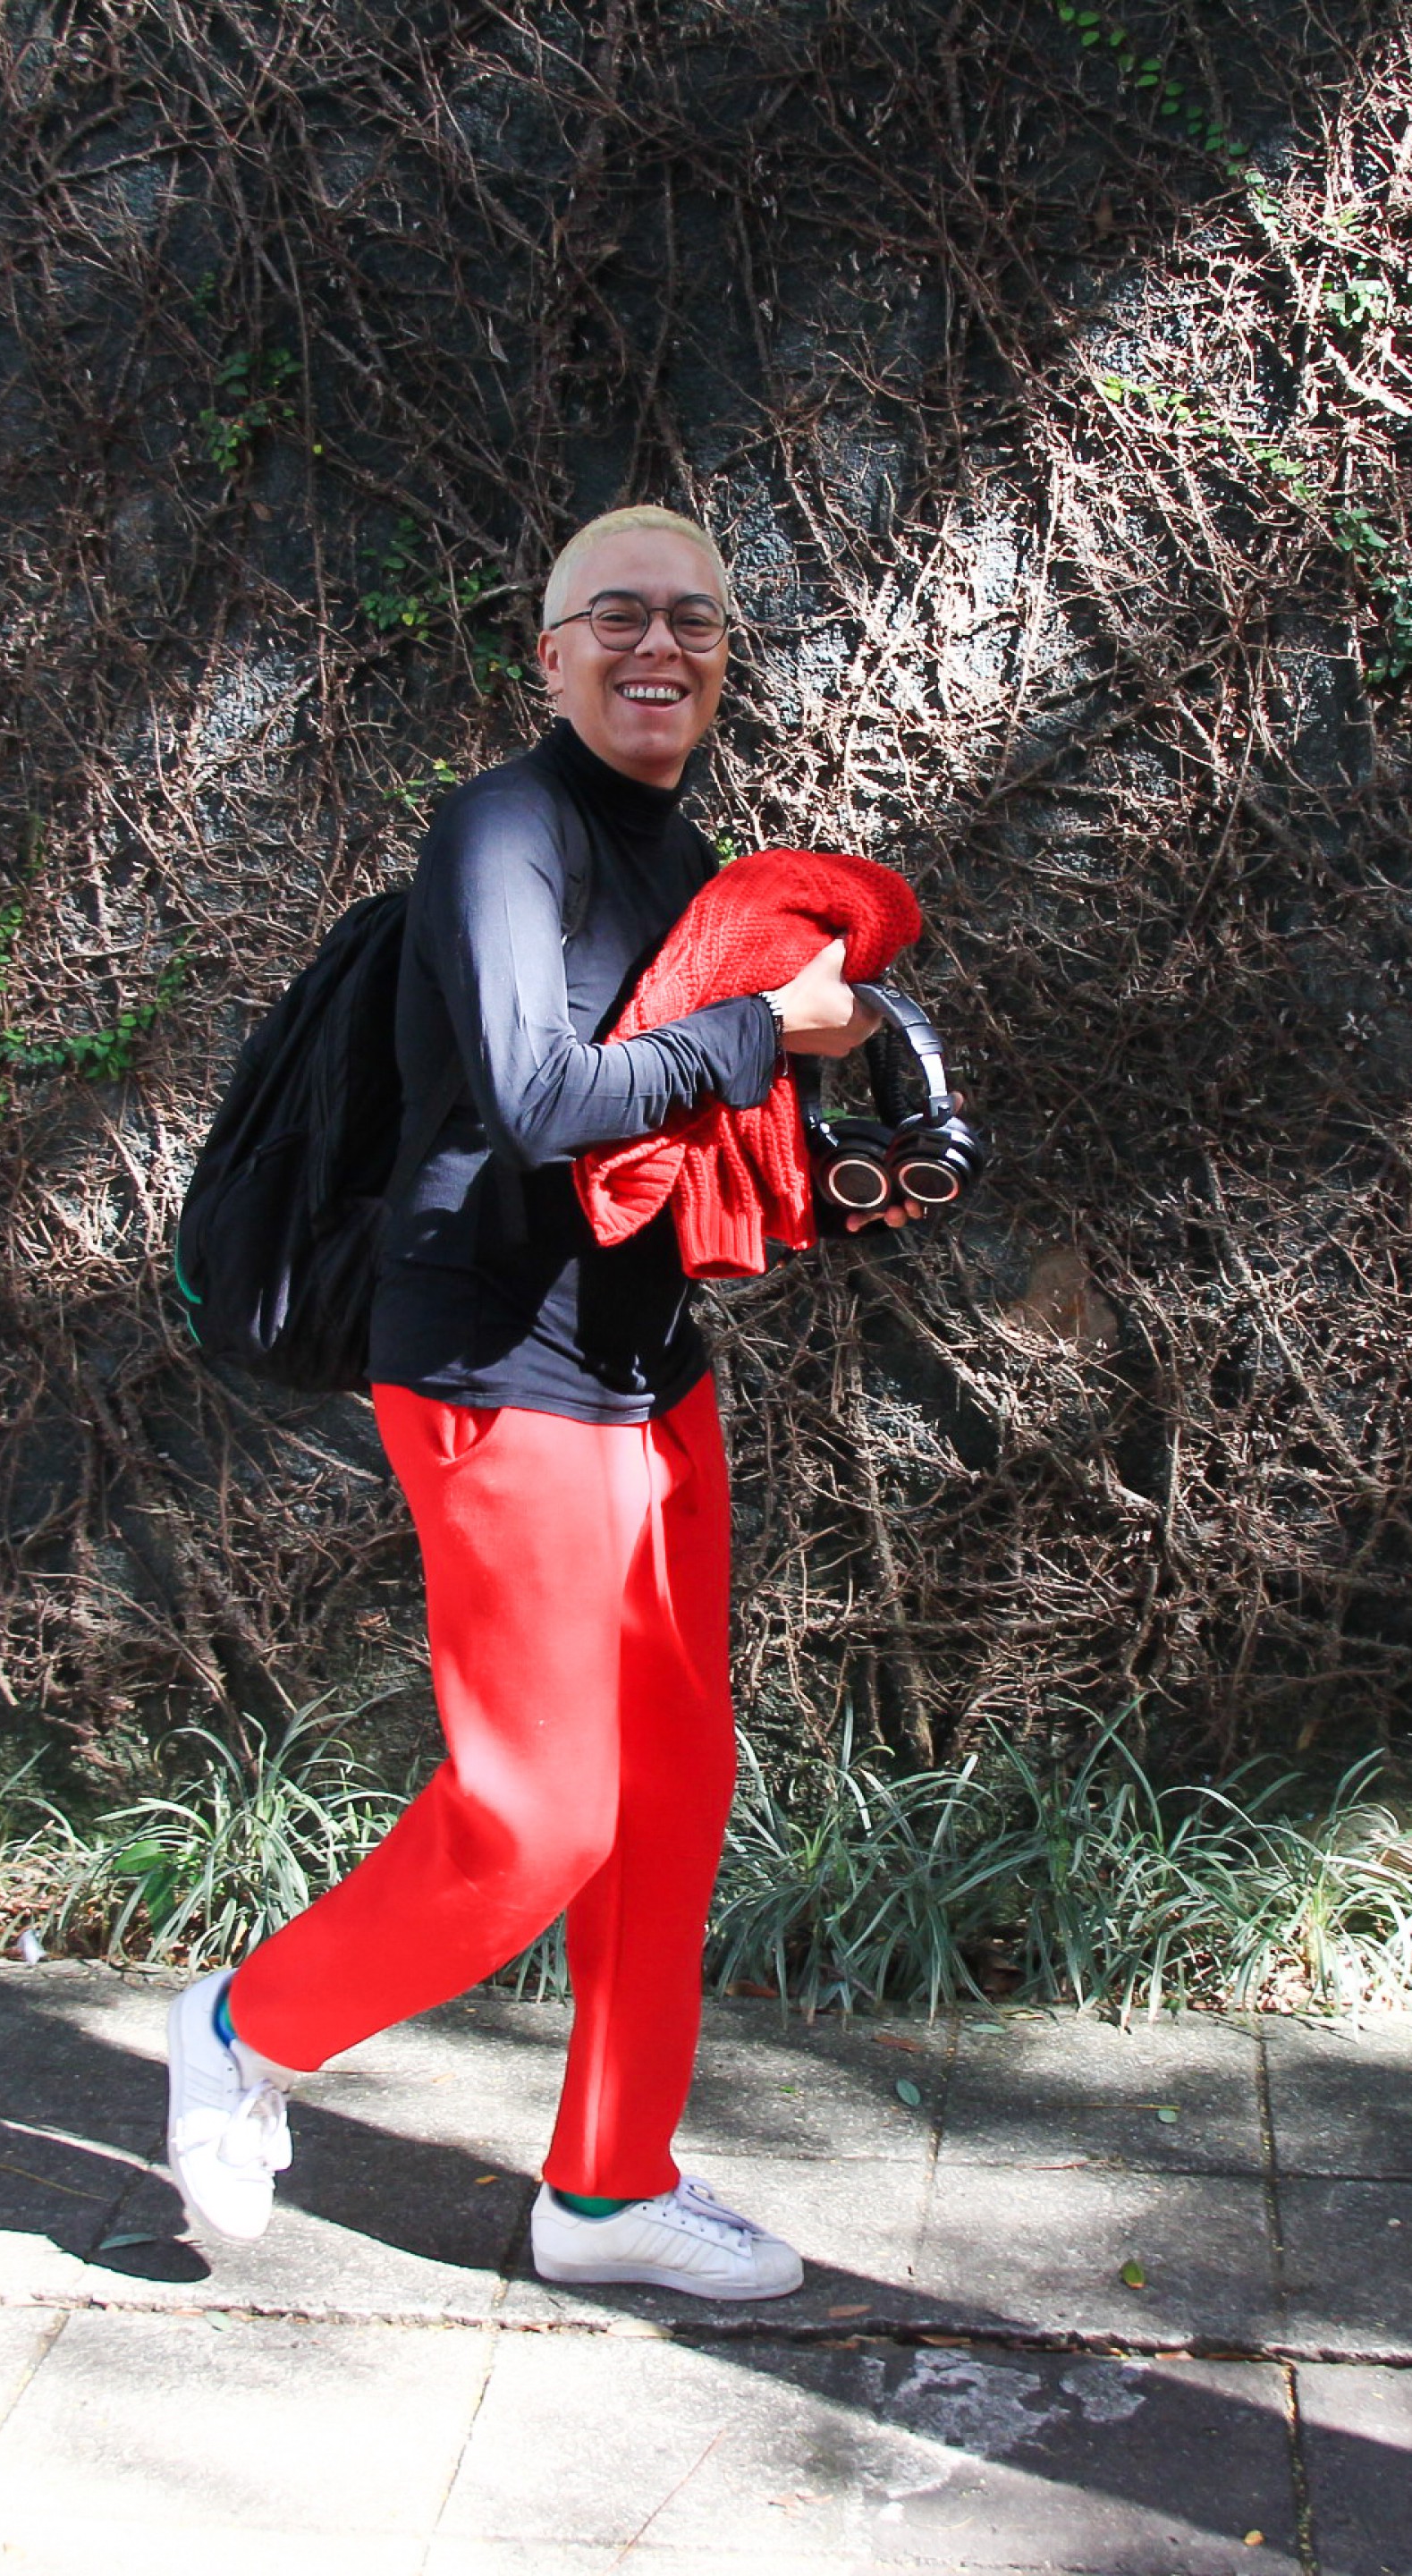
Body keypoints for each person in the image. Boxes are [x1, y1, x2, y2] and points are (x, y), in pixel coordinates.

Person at [165, 504, 916, 2298]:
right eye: (618, 619)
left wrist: (830, 1131)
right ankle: (242, 2026)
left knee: (669, 1790)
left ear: (728, 656)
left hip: (651, 1373)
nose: (660, 651)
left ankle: (605, 2194)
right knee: (542, 1812)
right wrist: (768, 1038)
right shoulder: (499, 826)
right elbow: (529, 1091)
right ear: (551, 650)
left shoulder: (697, 866)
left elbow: (679, 1129)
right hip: (498, 1364)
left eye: (698, 625)